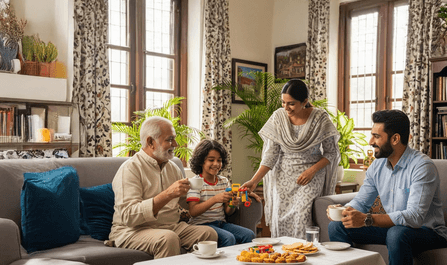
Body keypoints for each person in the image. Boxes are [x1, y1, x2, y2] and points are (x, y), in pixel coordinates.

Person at [327, 110, 447, 265]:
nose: (370, 141)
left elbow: (414, 217)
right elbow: (361, 203)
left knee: (397, 233)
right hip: (395, 230)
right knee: (337, 226)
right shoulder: (377, 166)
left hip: (429, 232)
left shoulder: (422, 166)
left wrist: (367, 219)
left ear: (395, 138)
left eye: (376, 136)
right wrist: (345, 211)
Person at [241, 79, 340, 239]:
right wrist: (253, 181)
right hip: (282, 177)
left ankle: (304, 257)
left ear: (305, 102)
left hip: (309, 177)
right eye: (283, 102)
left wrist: (312, 171)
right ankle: (283, 259)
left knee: (302, 218)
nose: (285, 108)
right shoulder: (278, 117)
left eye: (291, 104)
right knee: (280, 221)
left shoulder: (320, 118)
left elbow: (331, 153)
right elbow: (270, 155)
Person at [108, 116, 217, 259]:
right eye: (170, 139)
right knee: (168, 238)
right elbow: (129, 216)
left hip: (169, 226)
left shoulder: (172, 168)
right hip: (132, 230)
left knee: (208, 234)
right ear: (150, 142)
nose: (176, 144)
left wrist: (218, 196)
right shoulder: (130, 169)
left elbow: (187, 202)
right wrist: (168, 194)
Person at [186, 139, 256, 247]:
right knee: (229, 238)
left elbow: (228, 212)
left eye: (219, 160)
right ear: (201, 161)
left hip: (221, 223)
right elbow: (193, 211)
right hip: (201, 226)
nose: (216, 164)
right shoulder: (196, 183)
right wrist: (214, 199)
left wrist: (232, 204)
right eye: (211, 160)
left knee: (249, 235)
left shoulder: (224, 181)